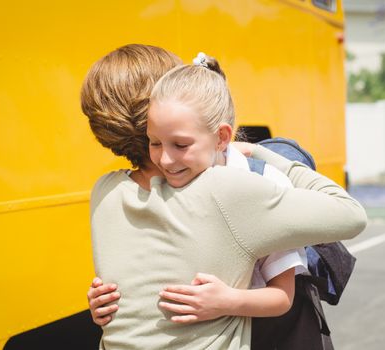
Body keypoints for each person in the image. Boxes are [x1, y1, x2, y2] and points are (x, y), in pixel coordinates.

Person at [81, 44, 367, 349]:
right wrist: (265, 154)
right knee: (287, 148)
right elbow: (350, 215)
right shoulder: (227, 189)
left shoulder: (104, 192)